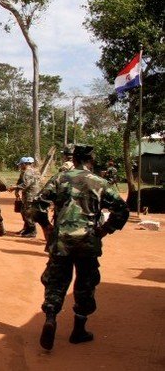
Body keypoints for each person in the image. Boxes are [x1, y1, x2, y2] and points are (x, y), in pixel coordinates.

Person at [29, 144, 129, 351]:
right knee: (85, 282)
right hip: (87, 240)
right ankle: (78, 330)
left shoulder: (59, 178)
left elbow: (37, 204)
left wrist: (46, 226)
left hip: (61, 240)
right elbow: (121, 209)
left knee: (56, 281)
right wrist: (104, 230)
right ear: (91, 160)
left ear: (73, 159)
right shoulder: (100, 182)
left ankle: (50, 318)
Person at [9, 157, 41, 238]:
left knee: (28, 213)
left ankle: (32, 231)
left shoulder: (28, 172)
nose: (20, 166)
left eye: (21, 164)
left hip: (30, 195)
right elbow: (21, 182)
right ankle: (27, 229)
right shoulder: (31, 171)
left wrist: (15, 187)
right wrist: (17, 189)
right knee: (24, 211)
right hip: (29, 195)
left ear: (24, 164)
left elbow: (25, 185)